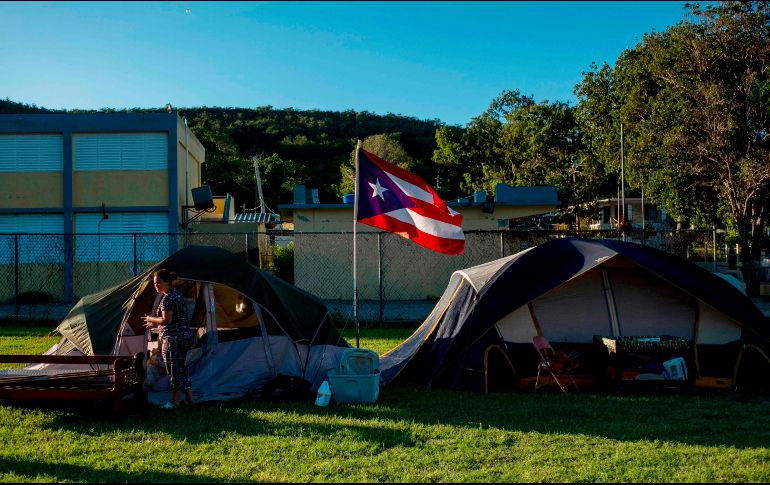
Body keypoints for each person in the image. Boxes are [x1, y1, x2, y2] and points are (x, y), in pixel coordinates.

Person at [142, 269, 194, 408]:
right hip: (184, 337)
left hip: (173, 339)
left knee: (174, 370)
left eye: (158, 283)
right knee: (182, 368)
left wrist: (150, 318)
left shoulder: (168, 298)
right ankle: (190, 400)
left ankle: (175, 402)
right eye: (154, 283)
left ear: (167, 282)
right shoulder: (177, 295)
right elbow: (174, 319)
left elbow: (167, 320)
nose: (156, 285)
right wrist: (154, 323)